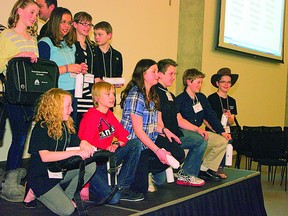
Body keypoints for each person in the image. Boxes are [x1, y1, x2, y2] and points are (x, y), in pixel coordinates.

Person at [24, 88, 96, 215]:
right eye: (68, 106)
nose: (72, 110)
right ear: (55, 107)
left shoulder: (65, 125)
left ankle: (66, 196)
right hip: (42, 177)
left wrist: (84, 143)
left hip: (58, 172)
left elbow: (78, 142)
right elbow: (45, 157)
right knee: (67, 211)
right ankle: (32, 189)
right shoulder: (40, 128)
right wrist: (75, 152)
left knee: (90, 165)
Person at [120, 59, 181, 195]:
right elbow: (138, 130)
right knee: (140, 190)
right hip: (135, 143)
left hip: (149, 140)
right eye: (153, 72)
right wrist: (158, 151)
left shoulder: (152, 94)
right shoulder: (136, 95)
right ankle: (129, 168)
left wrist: (165, 131)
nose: (157, 75)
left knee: (177, 153)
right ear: (143, 74)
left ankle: (144, 168)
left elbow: (153, 124)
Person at [78, 82, 143, 203]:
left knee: (135, 144)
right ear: (96, 98)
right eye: (107, 94)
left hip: (107, 160)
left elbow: (124, 136)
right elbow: (83, 153)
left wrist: (116, 144)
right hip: (92, 166)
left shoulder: (109, 115)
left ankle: (122, 187)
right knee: (114, 199)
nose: (112, 97)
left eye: (113, 93)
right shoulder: (91, 117)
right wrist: (84, 186)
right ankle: (92, 187)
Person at [149, 59, 208, 191]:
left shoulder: (170, 94)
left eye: (175, 74)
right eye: (171, 74)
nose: (174, 78)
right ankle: (148, 169)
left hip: (176, 133)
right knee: (160, 181)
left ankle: (186, 174)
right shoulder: (154, 93)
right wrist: (164, 134)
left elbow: (179, 118)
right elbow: (156, 120)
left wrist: (197, 129)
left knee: (200, 140)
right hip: (163, 135)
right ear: (160, 74)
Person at [0, 0, 39, 172]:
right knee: (20, 136)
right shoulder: (7, 35)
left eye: (37, 14)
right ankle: (10, 177)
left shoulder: (33, 39)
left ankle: (13, 176)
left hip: (30, 96)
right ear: (19, 11)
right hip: (13, 94)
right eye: (31, 12)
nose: (35, 17)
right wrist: (18, 56)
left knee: (23, 138)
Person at [175, 68, 232, 181]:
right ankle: (187, 173)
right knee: (200, 139)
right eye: (198, 82)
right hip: (185, 133)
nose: (200, 85)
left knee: (222, 141)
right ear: (189, 82)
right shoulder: (179, 100)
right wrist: (196, 130)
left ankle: (205, 169)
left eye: (201, 83)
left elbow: (211, 115)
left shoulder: (201, 98)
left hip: (199, 133)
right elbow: (178, 121)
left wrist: (222, 131)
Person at [38, 7, 88, 123]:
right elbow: (44, 72)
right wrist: (68, 68)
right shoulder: (45, 43)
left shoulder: (70, 44)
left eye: (69, 23)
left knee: (71, 127)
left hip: (72, 92)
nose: (67, 26)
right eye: (63, 22)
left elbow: (71, 66)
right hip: (56, 94)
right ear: (55, 22)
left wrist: (79, 68)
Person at [205, 67, 239, 174]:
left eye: (228, 82)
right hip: (213, 131)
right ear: (217, 83)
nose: (226, 84)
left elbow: (232, 121)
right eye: (223, 82)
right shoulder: (211, 98)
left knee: (227, 148)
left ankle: (221, 169)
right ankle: (210, 169)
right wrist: (216, 130)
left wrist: (229, 117)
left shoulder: (232, 101)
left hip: (227, 131)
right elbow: (205, 119)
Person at [72, 11, 97, 130]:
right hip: (76, 87)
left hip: (90, 88)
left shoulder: (92, 46)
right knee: (76, 121)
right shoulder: (70, 44)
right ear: (75, 24)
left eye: (89, 25)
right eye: (84, 24)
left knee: (88, 123)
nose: (87, 27)